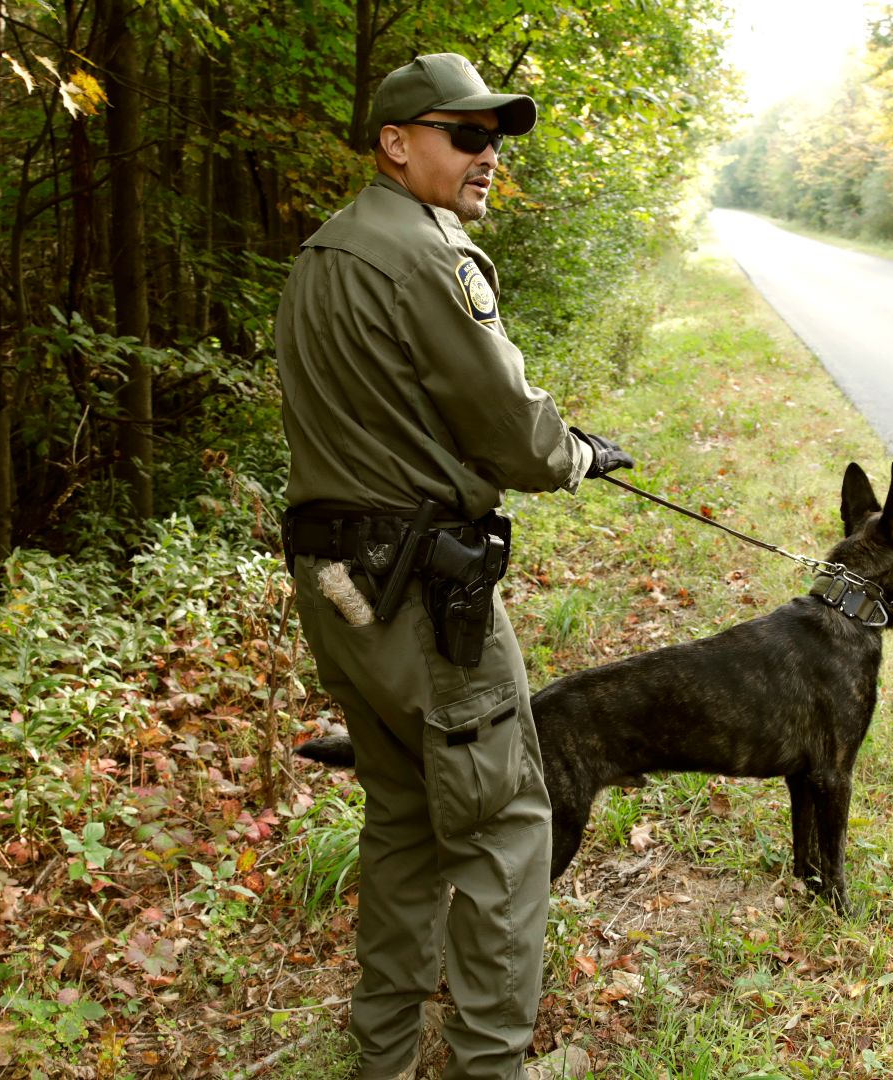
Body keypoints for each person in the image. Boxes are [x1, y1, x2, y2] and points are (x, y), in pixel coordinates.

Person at [274, 52, 631, 1080]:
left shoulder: (321, 254)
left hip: (335, 587)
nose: (489, 157)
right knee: (506, 827)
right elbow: (516, 434)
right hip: (425, 597)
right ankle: (492, 1064)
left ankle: (380, 1057)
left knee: (401, 818)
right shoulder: (431, 257)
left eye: (497, 139)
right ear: (397, 142)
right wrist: (577, 454)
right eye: (466, 136)